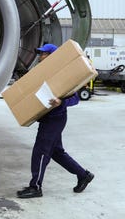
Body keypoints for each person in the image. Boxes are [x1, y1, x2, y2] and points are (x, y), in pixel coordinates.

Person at [17, 43, 94, 199]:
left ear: (52, 57)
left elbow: (75, 98)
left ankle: (35, 187)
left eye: (43, 54)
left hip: (55, 119)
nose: (40, 57)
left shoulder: (62, 75)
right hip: (48, 118)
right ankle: (83, 175)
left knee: (40, 152)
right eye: (40, 54)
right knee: (57, 153)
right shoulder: (42, 74)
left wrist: (61, 101)